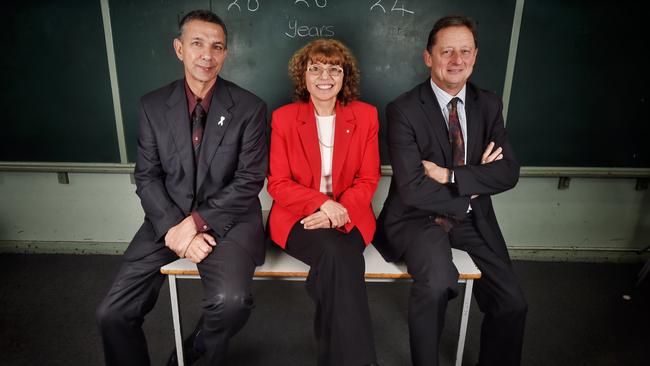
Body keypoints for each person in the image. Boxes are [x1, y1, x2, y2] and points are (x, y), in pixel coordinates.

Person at [95, 10, 268, 366]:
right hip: (166, 221)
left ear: (225, 54)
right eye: (197, 44)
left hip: (229, 222)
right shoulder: (153, 106)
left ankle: (196, 348)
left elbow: (249, 180)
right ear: (179, 49)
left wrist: (197, 222)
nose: (207, 54)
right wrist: (178, 228)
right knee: (112, 313)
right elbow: (147, 175)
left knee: (231, 303)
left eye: (217, 46)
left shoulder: (250, 108)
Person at [374, 15, 527, 366]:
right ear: (429, 57)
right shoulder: (403, 109)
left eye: (465, 51)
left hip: (473, 220)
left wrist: (450, 175)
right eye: (447, 52)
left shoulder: (488, 104)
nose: (457, 60)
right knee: (438, 284)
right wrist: (474, 183)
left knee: (512, 303)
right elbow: (412, 189)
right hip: (418, 219)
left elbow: (507, 172)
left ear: (474, 56)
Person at [266, 39, 380, 366]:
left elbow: (368, 179)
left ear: (345, 76)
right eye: (314, 68)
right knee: (338, 254)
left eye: (334, 68)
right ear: (303, 76)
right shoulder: (285, 118)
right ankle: (362, 360)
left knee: (335, 257)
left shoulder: (366, 116)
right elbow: (278, 183)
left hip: (352, 214)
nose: (324, 76)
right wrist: (321, 204)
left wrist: (337, 212)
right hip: (297, 216)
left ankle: (335, 355)